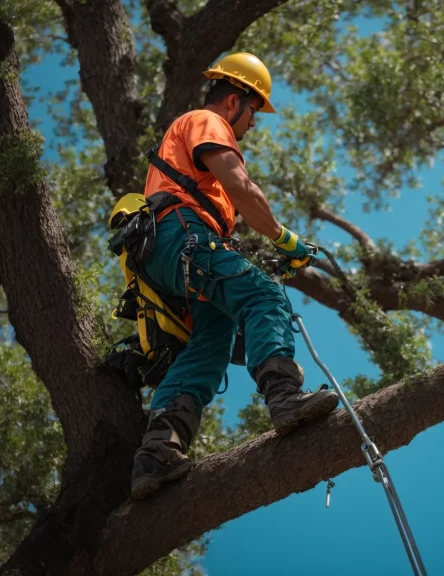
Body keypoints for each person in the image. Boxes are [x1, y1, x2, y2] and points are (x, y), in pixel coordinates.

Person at [129, 52, 339, 500]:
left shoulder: (187, 155)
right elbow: (242, 188)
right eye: (254, 112)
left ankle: (158, 451)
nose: (254, 125)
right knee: (263, 296)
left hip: (168, 252)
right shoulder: (207, 121)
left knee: (210, 345)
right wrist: (285, 239)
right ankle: (284, 397)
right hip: (182, 235)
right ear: (233, 101)